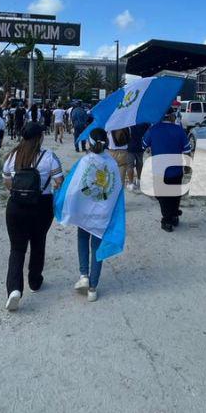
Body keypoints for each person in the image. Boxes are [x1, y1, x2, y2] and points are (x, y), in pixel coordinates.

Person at [54, 128, 125, 302]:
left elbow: (72, 187)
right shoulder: (112, 163)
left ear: (90, 143)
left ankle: (83, 275)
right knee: (97, 247)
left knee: (82, 239)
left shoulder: (85, 161)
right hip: (102, 214)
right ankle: (93, 287)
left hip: (84, 213)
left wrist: (64, 203)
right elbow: (116, 189)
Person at [1, 122, 64, 312]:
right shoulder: (49, 156)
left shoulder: (12, 156)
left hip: (16, 207)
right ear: (40, 137)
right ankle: (35, 280)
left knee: (17, 249)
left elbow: (7, 182)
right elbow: (59, 181)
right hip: (41, 206)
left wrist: (21, 191)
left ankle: (14, 290)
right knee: (38, 242)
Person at [142, 109, 191, 231]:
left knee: (162, 196)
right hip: (176, 170)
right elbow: (187, 150)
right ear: (172, 117)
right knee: (175, 194)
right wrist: (187, 166)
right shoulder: (179, 130)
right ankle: (174, 215)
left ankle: (167, 220)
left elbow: (143, 145)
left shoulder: (153, 130)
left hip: (159, 170)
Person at [126, 122, 149, 192]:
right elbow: (147, 132)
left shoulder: (127, 122)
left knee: (130, 166)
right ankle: (139, 180)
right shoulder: (144, 121)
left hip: (129, 147)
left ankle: (130, 183)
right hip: (140, 146)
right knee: (140, 163)